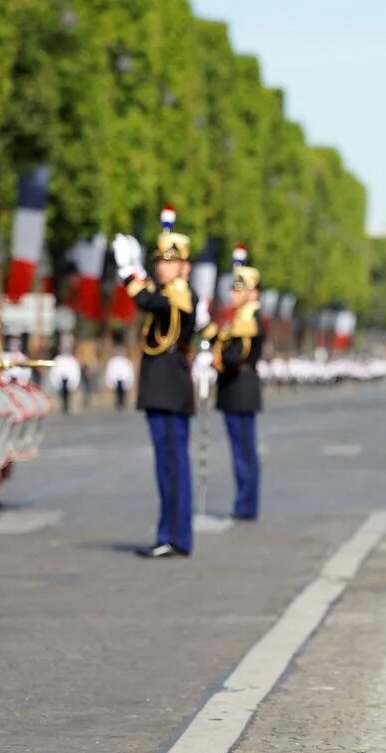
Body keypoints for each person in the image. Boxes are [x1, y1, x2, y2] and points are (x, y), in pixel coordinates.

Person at [113, 205, 198, 559]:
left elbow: (148, 300)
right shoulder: (170, 292)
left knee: (172, 465)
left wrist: (128, 271)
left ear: (184, 267)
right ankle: (173, 534)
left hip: (169, 389)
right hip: (164, 388)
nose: (161, 265)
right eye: (159, 260)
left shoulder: (178, 293)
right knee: (168, 465)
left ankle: (174, 536)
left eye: (169, 261)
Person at [207, 246, 264, 521]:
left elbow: (233, 355)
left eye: (239, 290)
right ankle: (245, 502)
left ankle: (245, 503)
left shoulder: (248, 319)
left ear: (252, 293)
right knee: (242, 450)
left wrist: (215, 360)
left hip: (240, 387)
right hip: (238, 388)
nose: (234, 294)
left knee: (243, 451)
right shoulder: (241, 319)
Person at [103, 340, 135, 411]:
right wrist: (110, 380)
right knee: (117, 392)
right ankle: (118, 403)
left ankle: (122, 402)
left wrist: (129, 380)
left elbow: (129, 371)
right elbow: (110, 371)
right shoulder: (113, 361)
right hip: (116, 379)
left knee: (123, 392)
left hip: (123, 379)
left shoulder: (126, 361)